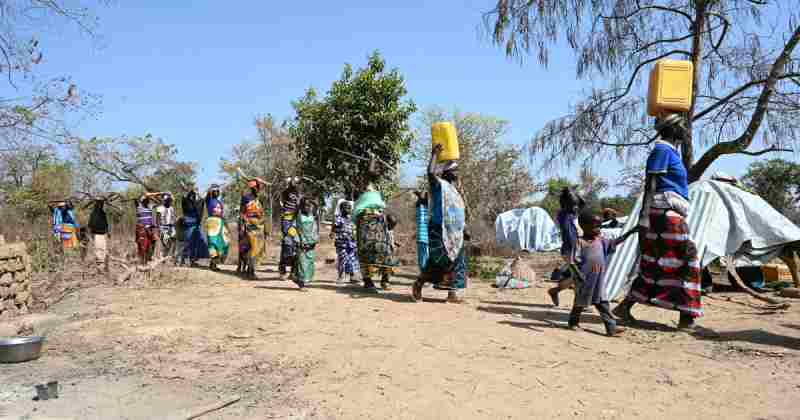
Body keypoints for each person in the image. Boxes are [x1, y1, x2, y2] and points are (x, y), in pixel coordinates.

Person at [613, 113, 703, 330]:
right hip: (664, 214)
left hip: (666, 214)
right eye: (682, 127)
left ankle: (626, 307)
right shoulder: (662, 150)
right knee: (688, 260)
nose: (686, 131)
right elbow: (651, 184)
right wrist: (643, 218)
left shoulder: (670, 152)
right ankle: (686, 317)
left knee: (656, 261)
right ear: (672, 129)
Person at [412, 144, 467, 303]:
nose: (457, 173)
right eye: (455, 170)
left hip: (455, 233)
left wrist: (464, 228)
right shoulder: (439, 186)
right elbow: (430, 172)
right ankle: (419, 283)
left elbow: (459, 213)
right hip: (438, 229)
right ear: (447, 173)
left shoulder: (454, 191)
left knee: (456, 261)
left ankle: (452, 294)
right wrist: (434, 154)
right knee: (439, 261)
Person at [568, 210, 635, 336]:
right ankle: (573, 322)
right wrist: (578, 275)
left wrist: (630, 232)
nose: (598, 229)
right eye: (595, 226)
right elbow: (572, 262)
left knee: (603, 303)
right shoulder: (580, 242)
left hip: (598, 278)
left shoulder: (601, 240)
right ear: (584, 227)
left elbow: (615, 242)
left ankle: (611, 328)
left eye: (600, 226)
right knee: (580, 302)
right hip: (585, 279)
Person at [547, 188, 584, 307]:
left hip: (575, 249)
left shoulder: (572, 213)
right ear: (566, 204)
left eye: (575, 205)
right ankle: (579, 305)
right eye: (573, 204)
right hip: (569, 249)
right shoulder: (563, 215)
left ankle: (555, 291)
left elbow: (583, 203)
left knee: (577, 278)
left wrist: (573, 193)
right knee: (579, 277)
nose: (576, 207)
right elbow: (569, 236)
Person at [239, 179, 265, 279]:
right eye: (255, 187)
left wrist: (264, 226)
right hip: (249, 224)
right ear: (252, 188)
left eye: (257, 187)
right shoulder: (246, 197)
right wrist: (242, 224)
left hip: (259, 226)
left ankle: (251, 269)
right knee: (252, 247)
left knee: (258, 248)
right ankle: (251, 270)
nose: (257, 189)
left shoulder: (260, 198)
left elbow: (262, 212)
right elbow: (242, 212)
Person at [293, 198, 319, 289]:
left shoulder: (313, 216)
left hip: (310, 242)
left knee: (309, 263)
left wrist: (314, 240)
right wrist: (298, 241)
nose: (308, 207)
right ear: (302, 206)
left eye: (309, 206)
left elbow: (315, 229)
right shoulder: (298, 216)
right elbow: (294, 229)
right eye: (306, 206)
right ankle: (301, 282)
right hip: (301, 242)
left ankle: (300, 278)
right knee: (302, 263)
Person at [332, 200, 359, 285]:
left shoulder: (352, 219)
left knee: (352, 260)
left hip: (352, 244)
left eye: (349, 208)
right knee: (342, 260)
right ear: (341, 209)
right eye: (346, 208)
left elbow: (354, 229)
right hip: (341, 244)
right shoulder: (338, 219)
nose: (348, 209)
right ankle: (340, 277)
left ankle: (352, 277)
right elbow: (334, 228)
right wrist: (333, 233)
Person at [279, 177, 301, 279]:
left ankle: (293, 271)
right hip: (287, 220)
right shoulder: (285, 192)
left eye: (297, 183)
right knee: (286, 243)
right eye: (295, 183)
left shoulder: (298, 194)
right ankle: (282, 270)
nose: (296, 184)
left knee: (296, 245)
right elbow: (282, 204)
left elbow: (299, 206)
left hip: (296, 221)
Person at [181, 188, 209, 267]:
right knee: (188, 242)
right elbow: (184, 197)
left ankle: (193, 260)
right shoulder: (186, 202)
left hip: (196, 225)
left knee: (197, 243)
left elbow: (202, 200)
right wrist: (189, 191)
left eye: (194, 196)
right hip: (189, 225)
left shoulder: (196, 204)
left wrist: (198, 193)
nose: (192, 197)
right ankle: (183, 260)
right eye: (191, 195)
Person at [205, 185, 229, 271]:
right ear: (211, 192)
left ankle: (217, 261)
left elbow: (222, 214)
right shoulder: (209, 200)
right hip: (212, 222)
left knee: (223, 242)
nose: (217, 192)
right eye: (214, 191)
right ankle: (213, 263)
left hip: (220, 222)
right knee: (212, 243)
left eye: (218, 191)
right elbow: (208, 195)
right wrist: (210, 188)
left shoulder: (219, 202)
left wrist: (226, 224)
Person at [135, 193, 160, 264]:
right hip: (141, 230)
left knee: (152, 243)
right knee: (142, 246)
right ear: (142, 201)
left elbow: (159, 202)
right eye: (145, 200)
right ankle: (142, 262)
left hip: (150, 229)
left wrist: (152, 197)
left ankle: (148, 258)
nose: (147, 201)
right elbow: (138, 199)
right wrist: (147, 195)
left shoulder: (150, 207)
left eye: (148, 200)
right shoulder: (139, 207)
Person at [86, 198, 110, 267]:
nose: (101, 204)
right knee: (98, 248)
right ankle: (99, 263)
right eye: (99, 203)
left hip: (103, 234)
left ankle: (102, 262)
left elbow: (106, 224)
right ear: (96, 204)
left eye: (101, 203)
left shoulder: (103, 213)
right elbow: (90, 224)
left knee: (103, 248)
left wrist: (107, 232)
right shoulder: (93, 213)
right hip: (96, 234)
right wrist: (90, 233)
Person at [155, 193, 177, 260]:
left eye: (169, 200)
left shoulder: (171, 208)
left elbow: (173, 217)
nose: (169, 202)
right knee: (165, 242)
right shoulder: (159, 208)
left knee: (174, 239)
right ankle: (162, 256)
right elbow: (157, 219)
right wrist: (158, 229)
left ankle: (171, 255)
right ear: (164, 200)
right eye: (167, 200)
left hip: (171, 227)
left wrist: (174, 224)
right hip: (163, 227)